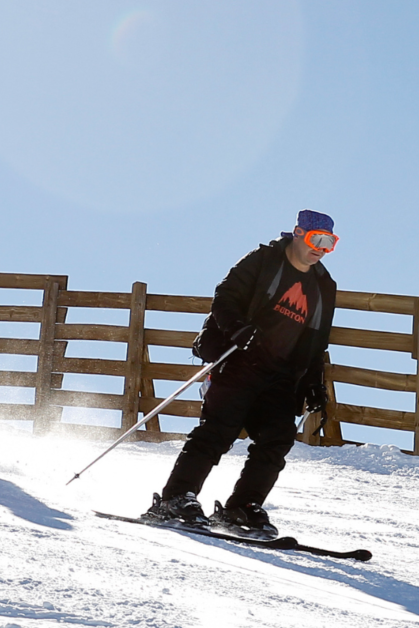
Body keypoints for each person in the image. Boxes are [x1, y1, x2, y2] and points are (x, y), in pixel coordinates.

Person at [145, 210, 338, 538]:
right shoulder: (264, 260)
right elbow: (224, 297)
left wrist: (312, 383)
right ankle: (175, 499)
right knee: (219, 430)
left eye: (329, 243)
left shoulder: (323, 285)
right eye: (315, 239)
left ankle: (242, 508)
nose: (321, 248)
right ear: (297, 233)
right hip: (239, 360)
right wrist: (237, 329)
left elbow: (316, 339)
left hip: (281, 376)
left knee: (278, 437)